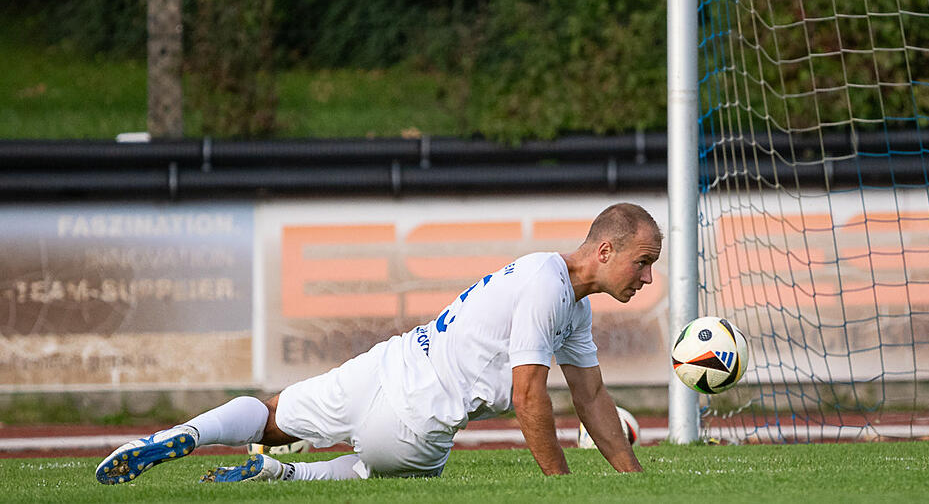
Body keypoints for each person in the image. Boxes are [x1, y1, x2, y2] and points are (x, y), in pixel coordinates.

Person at [95, 202, 661, 484]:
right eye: (644, 262)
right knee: (375, 471)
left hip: (386, 364)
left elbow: (592, 397)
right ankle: (284, 475)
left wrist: (631, 481)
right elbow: (529, 397)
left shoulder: (568, 298)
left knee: (271, 418)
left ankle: (182, 435)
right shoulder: (548, 287)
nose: (647, 279)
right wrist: (561, 488)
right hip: (417, 419)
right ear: (606, 251)